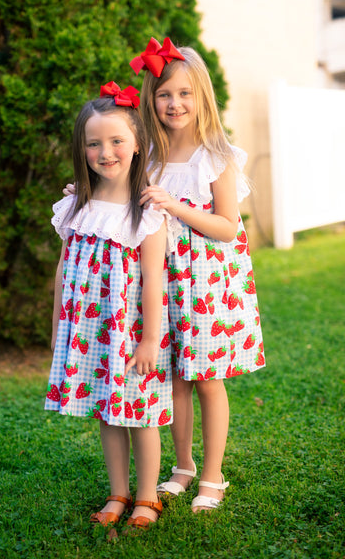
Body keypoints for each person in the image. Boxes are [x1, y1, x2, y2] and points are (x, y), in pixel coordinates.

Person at [129, 37, 266, 512]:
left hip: (209, 281)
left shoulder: (216, 154)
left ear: (201, 97)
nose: (175, 103)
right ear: (152, 99)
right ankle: (183, 467)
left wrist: (175, 206)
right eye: (165, 94)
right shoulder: (145, 153)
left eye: (185, 93)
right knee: (175, 378)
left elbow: (228, 227)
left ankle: (213, 475)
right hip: (160, 278)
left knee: (207, 377)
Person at [45, 81, 173, 530]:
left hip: (132, 335)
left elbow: (153, 282)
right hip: (89, 332)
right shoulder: (75, 205)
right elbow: (65, 268)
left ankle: (146, 497)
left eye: (117, 140)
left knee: (140, 415)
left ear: (137, 145)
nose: (106, 151)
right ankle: (117, 491)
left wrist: (150, 339)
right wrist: (60, 324)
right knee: (108, 413)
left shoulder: (147, 213)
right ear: (82, 150)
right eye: (94, 143)